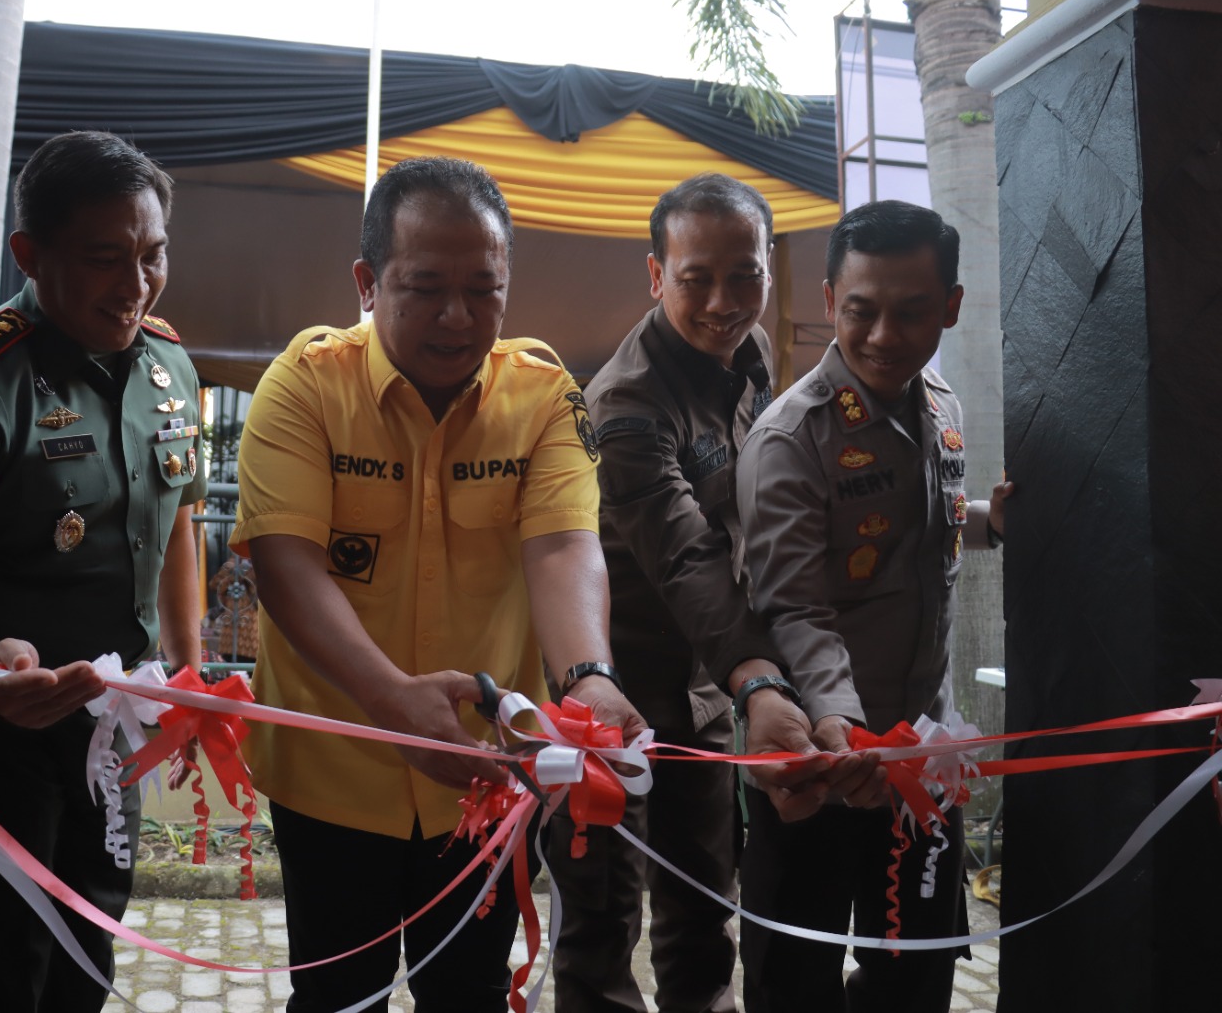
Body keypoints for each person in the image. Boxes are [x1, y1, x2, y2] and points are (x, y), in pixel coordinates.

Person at [229, 156, 647, 1013]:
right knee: (337, 993)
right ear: (368, 282)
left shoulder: (544, 397)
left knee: (470, 992)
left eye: (484, 289)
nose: (459, 317)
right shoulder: (304, 386)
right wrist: (390, 698)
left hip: (487, 774)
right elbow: (286, 565)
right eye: (425, 287)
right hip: (333, 769)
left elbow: (565, 548)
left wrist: (587, 679)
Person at [0, 131, 206, 1012]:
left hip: (115, 738)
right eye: (106, 259)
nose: (136, 285)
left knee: (86, 968)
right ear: (30, 254)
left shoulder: (170, 367)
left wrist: (187, 668)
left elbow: (180, 525)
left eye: (153, 255)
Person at [734, 200, 1012, 1013]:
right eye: (861, 311)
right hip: (823, 762)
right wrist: (846, 730)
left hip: (925, 758)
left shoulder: (939, 404)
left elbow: (923, 536)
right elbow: (795, 608)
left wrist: (997, 524)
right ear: (829, 302)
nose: (885, 335)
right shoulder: (794, 438)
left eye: (912, 312)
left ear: (950, 307)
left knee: (917, 976)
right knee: (796, 979)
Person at [547, 173, 789, 1013]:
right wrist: (757, 677)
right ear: (656, 275)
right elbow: (685, 554)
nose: (724, 301)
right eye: (696, 278)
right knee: (602, 925)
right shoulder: (625, 402)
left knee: (703, 914)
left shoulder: (752, 362)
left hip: (707, 689)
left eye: (745, 275)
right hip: (615, 698)